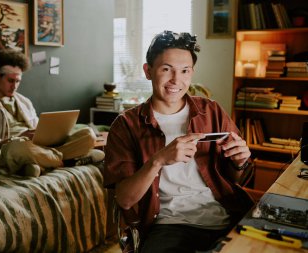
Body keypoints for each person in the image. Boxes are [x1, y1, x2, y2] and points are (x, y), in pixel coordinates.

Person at [103, 31, 254, 253]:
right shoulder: (125, 126)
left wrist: (240, 162)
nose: (176, 80)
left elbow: (239, 179)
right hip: (169, 226)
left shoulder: (211, 111)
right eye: (166, 69)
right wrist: (158, 161)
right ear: (148, 71)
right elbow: (125, 200)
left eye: (184, 71)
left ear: (192, 72)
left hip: (225, 215)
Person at [0, 49, 102, 177]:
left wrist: (50, 135)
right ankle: (66, 161)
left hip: (38, 147)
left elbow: (38, 131)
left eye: (18, 81)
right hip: (10, 149)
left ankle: (37, 163)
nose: (14, 86)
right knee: (19, 148)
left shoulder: (24, 101)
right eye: (10, 80)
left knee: (88, 134)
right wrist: (17, 137)